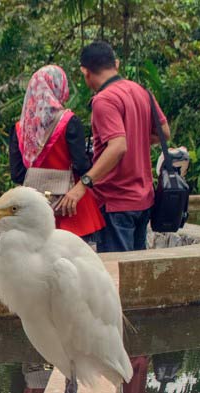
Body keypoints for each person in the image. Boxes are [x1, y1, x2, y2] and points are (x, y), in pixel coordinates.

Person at [74, 41, 170, 252]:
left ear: (85, 71)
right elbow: (164, 133)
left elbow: (118, 147)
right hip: (143, 200)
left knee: (116, 273)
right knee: (134, 273)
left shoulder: (104, 100)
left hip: (116, 201)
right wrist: (136, 138)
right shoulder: (141, 91)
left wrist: (84, 183)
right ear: (115, 64)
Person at [9, 65, 105, 243]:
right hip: (71, 208)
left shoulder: (19, 129)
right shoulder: (68, 121)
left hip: (36, 212)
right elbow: (81, 165)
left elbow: (17, 174)